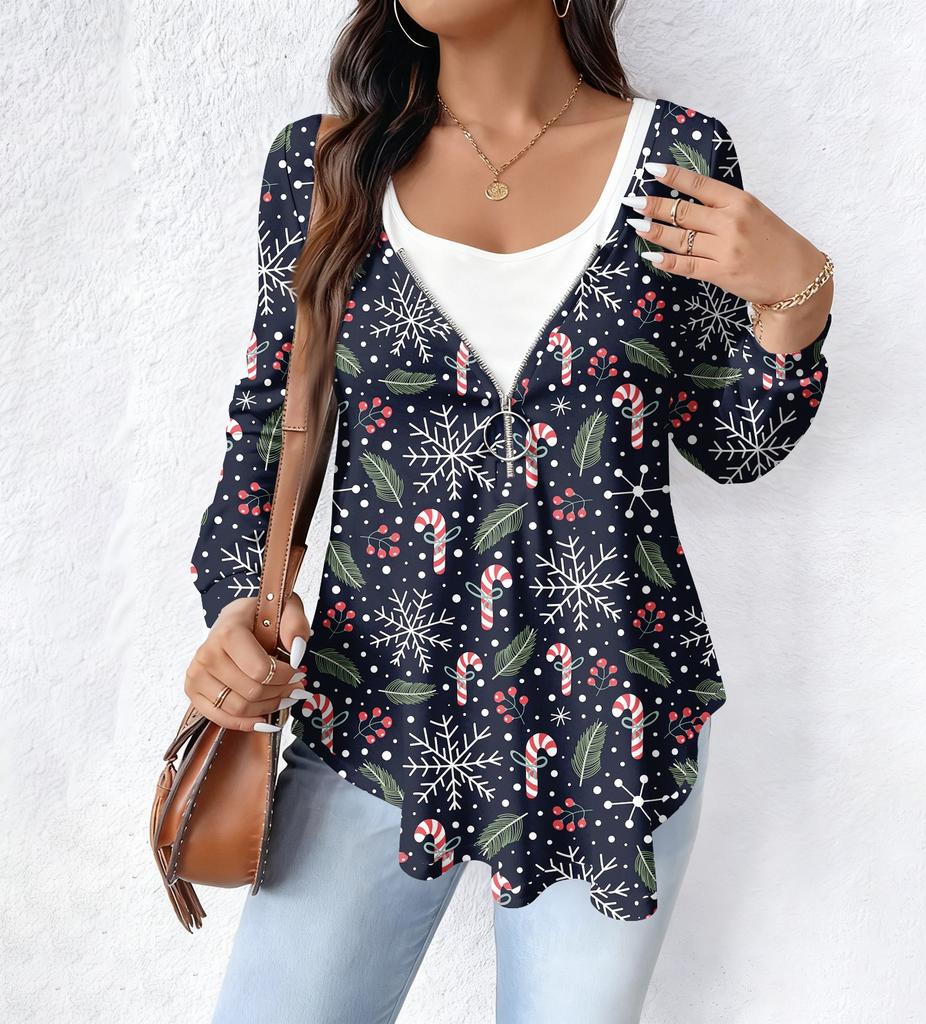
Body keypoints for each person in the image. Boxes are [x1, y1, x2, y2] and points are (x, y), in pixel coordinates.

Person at [184, 2, 834, 1021]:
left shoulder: (672, 158)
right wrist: (235, 602)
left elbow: (733, 444)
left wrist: (798, 298)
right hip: (370, 703)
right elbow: (274, 413)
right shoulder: (325, 165)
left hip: (610, 719)